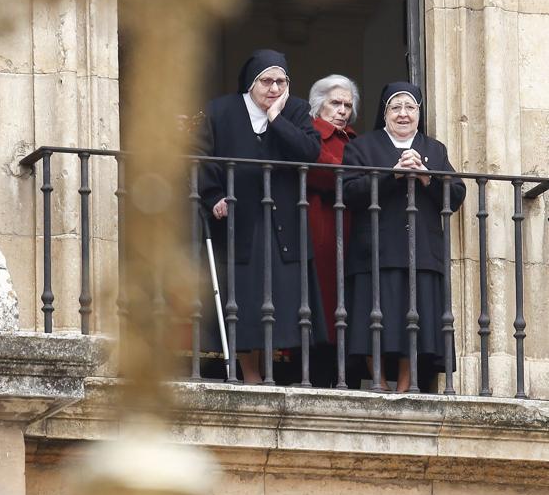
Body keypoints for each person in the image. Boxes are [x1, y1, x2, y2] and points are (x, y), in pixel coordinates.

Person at [197, 49, 326, 384]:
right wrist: (213, 195)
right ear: (251, 83)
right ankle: (251, 373)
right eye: (267, 81)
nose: (274, 88)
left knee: (280, 301)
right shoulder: (221, 110)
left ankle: (272, 371)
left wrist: (276, 118)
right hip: (238, 222)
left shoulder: (295, 110)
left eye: (281, 81)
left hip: (281, 221)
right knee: (243, 300)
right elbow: (199, 157)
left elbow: (309, 152)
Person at [342, 81, 465, 392]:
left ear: (418, 113)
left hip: (420, 249)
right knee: (375, 319)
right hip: (375, 249)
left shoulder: (434, 150)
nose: (403, 114)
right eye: (395, 107)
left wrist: (426, 177)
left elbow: (457, 193)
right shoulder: (362, 147)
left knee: (415, 321)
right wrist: (392, 174)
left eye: (410, 107)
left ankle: (406, 385)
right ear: (385, 114)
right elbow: (348, 192)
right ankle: (379, 382)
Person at [307, 75, 359, 348]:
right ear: (318, 105)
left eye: (347, 106)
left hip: (352, 228)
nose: (342, 110)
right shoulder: (310, 134)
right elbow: (320, 172)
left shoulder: (355, 141)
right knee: (323, 301)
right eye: (335, 103)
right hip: (321, 224)